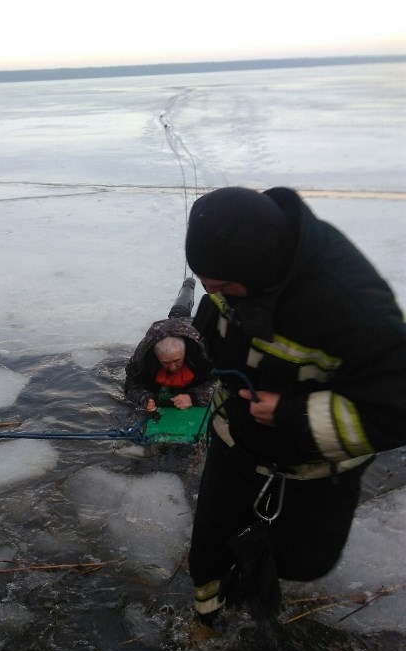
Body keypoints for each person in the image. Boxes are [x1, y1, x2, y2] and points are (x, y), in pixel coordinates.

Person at [183, 186, 406, 622]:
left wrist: (293, 416)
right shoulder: (236, 264)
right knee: (209, 544)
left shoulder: (351, 304)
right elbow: (217, 319)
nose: (213, 294)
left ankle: (258, 584)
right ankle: (205, 621)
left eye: (221, 287)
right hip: (236, 446)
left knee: (305, 562)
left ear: (259, 272)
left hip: (311, 470)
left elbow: (397, 407)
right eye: (207, 285)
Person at [124, 317, 212, 412]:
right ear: (157, 357)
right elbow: (130, 385)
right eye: (166, 363)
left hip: (187, 325)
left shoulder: (203, 353)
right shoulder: (142, 357)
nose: (173, 368)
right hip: (160, 329)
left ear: (185, 353)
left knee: (180, 314)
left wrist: (194, 398)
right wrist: (144, 399)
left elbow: (222, 385)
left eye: (177, 361)